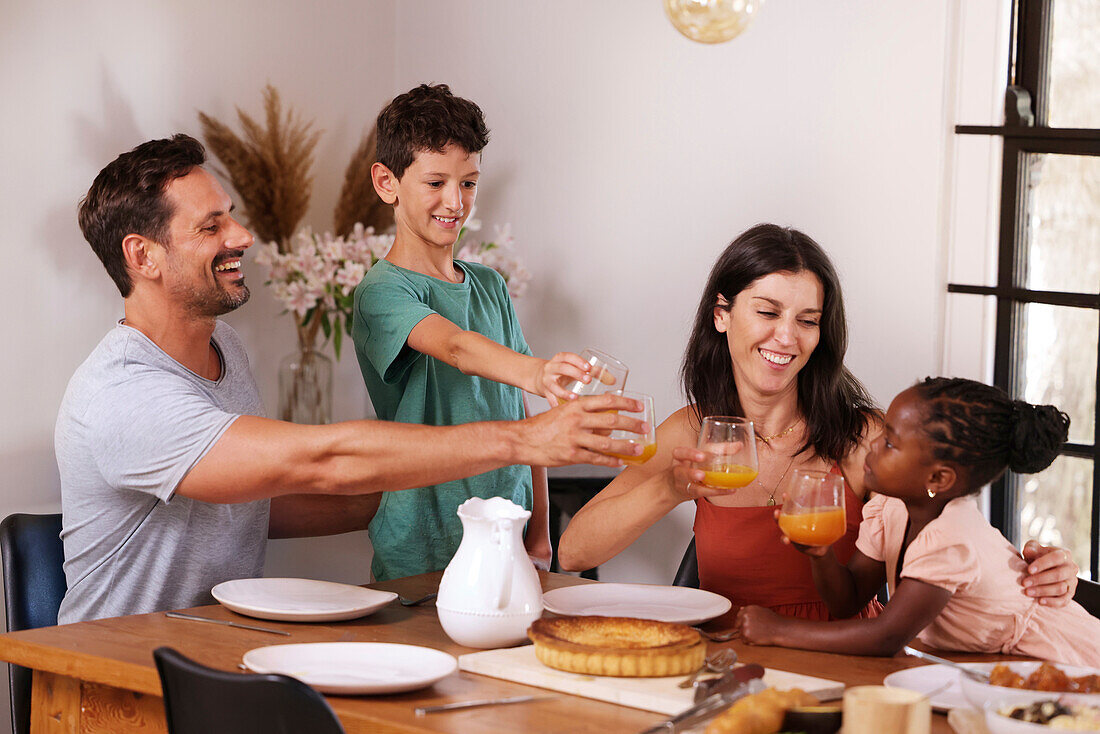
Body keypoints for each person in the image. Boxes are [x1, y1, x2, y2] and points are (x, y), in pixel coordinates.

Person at [57, 134, 644, 623]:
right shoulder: (123, 393)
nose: (242, 236)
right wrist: (525, 439)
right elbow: (319, 461)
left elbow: (253, 504)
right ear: (143, 256)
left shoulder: (223, 349)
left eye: (231, 216)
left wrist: (433, 505)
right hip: (112, 675)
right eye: (211, 226)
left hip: (206, 645)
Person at [558, 224, 1079, 618]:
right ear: (722, 314)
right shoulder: (691, 431)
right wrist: (670, 488)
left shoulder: (866, 439)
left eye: (807, 321)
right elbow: (575, 549)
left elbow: (954, 542)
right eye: (767, 312)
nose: (787, 338)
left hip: (844, 666)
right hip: (724, 661)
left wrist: (1041, 568)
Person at [352, 84, 600, 581]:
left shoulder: (490, 286)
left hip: (510, 535)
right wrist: (539, 371)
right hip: (423, 543)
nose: (455, 202)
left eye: (468, 183)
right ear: (387, 183)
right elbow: (456, 346)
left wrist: (540, 532)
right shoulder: (381, 291)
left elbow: (524, 417)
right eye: (435, 182)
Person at [734, 378, 1100, 666]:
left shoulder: (950, 538)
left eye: (891, 442)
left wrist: (778, 631)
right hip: (1000, 671)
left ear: (938, 479)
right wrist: (821, 554)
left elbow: (886, 638)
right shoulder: (892, 509)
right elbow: (847, 602)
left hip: (1072, 664)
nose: (874, 444)